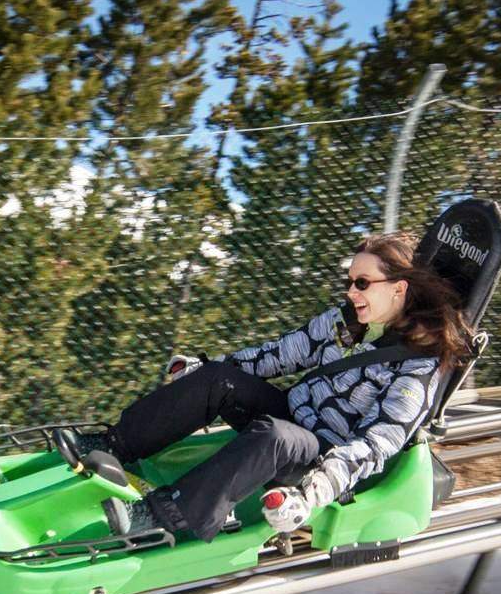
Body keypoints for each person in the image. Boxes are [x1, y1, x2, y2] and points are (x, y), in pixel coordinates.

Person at [68, 230, 473, 543]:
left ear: (398, 288)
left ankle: (162, 516)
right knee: (219, 380)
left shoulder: (418, 367)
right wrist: (206, 369)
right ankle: (113, 446)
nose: (352, 292)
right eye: (350, 281)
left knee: (275, 436)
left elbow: (377, 443)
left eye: (362, 283)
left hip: (324, 454)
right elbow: (277, 355)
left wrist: (315, 491)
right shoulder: (344, 323)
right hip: (292, 416)